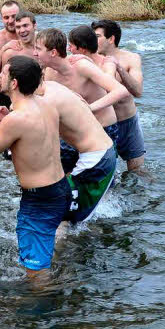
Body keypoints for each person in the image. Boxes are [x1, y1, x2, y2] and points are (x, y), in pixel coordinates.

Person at [0, 56, 70, 279]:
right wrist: (6, 120)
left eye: (4, 73)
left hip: (40, 198)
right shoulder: (46, 105)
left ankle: (41, 308)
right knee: (45, 247)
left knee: (35, 269)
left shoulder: (16, 119)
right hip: (60, 187)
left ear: (14, 83)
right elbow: (31, 136)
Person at [37, 79, 117, 226]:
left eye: (4, 73)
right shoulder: (54, 86)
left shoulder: (47, 102)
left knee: (60, 217)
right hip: (102, 153)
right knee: (69, 216)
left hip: (96, 160)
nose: (1, 76)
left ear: (16, 82)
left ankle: (55, 248)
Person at [34, 28, 128, 145]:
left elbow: (121, 91)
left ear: (53, 52)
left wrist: (89, 108)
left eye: (38, 49)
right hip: (75, 132)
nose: (34, 53)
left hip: (102, 129)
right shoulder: (49, 72)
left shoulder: (81, 66)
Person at [93, 19, 147, 172]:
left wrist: (119, 68)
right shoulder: (89, 61)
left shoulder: (131, 58)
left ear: (111, 39)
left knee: (137, 170)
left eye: (97, 36)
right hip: (103, 124)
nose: (93, 40)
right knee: (105, 171)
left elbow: (138, 91)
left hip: (127, 121)